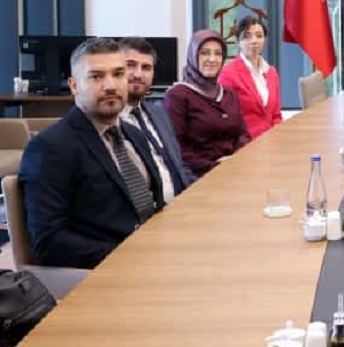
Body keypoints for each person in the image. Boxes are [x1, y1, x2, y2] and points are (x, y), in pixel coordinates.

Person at [18, 38, 165, 269]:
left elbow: (154, 206)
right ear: (74, 86)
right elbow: (48, 241)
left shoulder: (134, 136)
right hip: (107, 271)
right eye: (96, 77)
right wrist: (127, 255)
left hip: (154, 255)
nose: (110, 86)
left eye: (118, 74)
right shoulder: (50, 148)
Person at [164, 30, 250, 178]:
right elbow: (175, 147)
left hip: (234, 171)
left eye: (218, 54)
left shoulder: (229, 94)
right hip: (197, 176)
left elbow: (243, 134)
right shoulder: (178, 96)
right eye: (205, 53)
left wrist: (235, 159)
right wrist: (215, 166)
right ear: (193, 56)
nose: (212, 59)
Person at [120, 36, 195, 201]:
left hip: (183, 203)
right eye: (130, 65)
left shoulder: (159, 113)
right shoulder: (109, 124)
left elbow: (179, 165)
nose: (138, 74)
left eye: (146, 67)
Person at [217, 15, 283, 140]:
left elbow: (276, 115)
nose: (254, 41)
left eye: (259, 36)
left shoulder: (271, 72)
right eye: (247, 36)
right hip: (244, 143)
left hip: (272, 141)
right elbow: (225, 119)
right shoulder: (227, 74)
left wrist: (277, 139)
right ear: (238, 42)